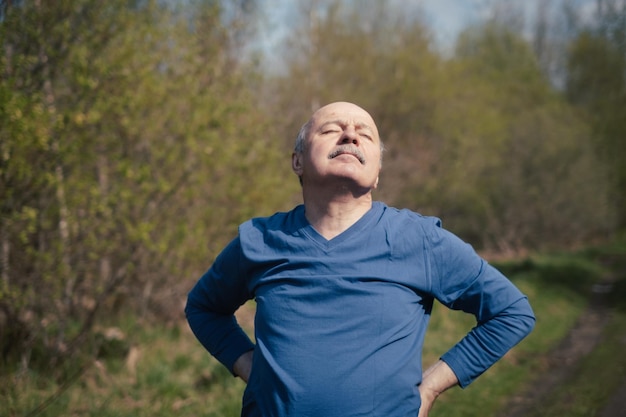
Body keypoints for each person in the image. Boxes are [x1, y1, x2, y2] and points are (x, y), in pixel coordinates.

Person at [185, 101, 535, 417]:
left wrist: (430, 387)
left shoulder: (419, 239)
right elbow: (203, 307)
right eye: (331, 129)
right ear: (298, 160)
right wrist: (250, 368)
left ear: (378, 173)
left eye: (364, 134)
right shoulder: (259, 240)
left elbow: (510, 312)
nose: (350, 135)